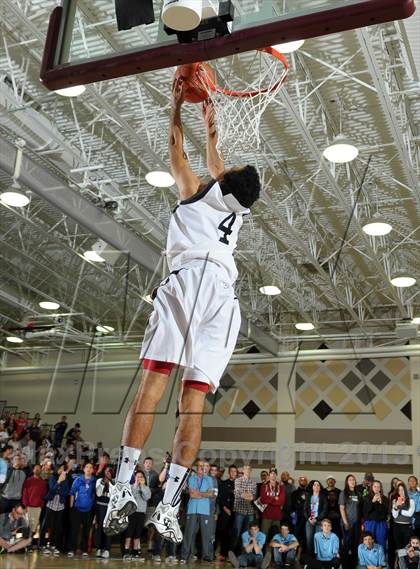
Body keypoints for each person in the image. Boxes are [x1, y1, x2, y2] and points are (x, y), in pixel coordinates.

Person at [102, 78, 261, 543]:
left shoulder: (195, 191)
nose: (224, 166)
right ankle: (168, 505)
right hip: (223, 299)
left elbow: (177, 147)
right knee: (192, 405)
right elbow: (220, 166)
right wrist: (211, 121)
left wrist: (177, 106)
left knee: (152, 387)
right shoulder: (238, 207)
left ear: (223, 179)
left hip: (190, 281)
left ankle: (122, 490)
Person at [180, 460, 214, 563]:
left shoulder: (209, 479)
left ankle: (207, 555)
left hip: (204, 510)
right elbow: (192, 495)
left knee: (206, 533)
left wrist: (199, 493)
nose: (201, 467)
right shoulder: (191, 478)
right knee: (189, 533)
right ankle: (184, 555)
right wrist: (204, 494)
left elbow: (210, 494)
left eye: (203, 466)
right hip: (192, 509)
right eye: (199, 466)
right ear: (197, 467)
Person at [68, 462, 96, 557]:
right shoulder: (78, 480)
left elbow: (96, 494)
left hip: (88, 510)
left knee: (86, 530)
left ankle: (84, 550)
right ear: (84, 469)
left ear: (93, 470)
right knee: (74, 530)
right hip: (77, 509)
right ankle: (72, 549)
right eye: (87, 467)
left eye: (90, 467)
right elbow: (72, 493)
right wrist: (71, 507)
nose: (88, 469)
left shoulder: (94, 481)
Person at [41, 465, 69, 555]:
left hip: (60, 506)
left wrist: (58, 488)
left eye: (63, 469)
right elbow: (52, 489)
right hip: (50, 505)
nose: (61, 470)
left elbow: (65, 492)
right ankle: (42, 545)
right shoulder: (52, 478)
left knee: (57, 527)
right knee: (45, 525)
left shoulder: (66, 480)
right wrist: (59, 482)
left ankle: (53, 545)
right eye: (59, 468)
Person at [123, 470, 151, 560]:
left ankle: (135, 552)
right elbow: (131, 496)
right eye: (137, 476)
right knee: (129, 532)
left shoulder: (146, 488)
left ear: (144, 479)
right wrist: (136, 485)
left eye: (141, 477)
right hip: (131, 512)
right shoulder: (131, 487)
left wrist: (142, 486)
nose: (139, 478)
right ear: (135, 478)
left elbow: (147, 497)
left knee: (138, 533)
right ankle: (126, 551)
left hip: (141, 513)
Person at [339, 474, 361, 569]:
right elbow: (342, 508)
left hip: (356, 523)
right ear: (347, 482)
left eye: (354, 480)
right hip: (347, 523)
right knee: (346, 546)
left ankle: (353, 565)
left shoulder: (358, 493)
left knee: (355, 545)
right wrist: (345, 522)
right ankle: (345, 566)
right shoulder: (343, 493)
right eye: (350, 480)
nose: (352, 481)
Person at [216, 464, 238, 561]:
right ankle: (223, 554)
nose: (233, 473)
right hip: (225, 512)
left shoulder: (239, 484)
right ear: (229, 472)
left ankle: (231, 554)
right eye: (231, 471)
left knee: (233, 534)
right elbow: (220, 499)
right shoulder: (223, 483)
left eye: (235, 471)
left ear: (237, 473)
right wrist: (225, 509)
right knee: (224, 533)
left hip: (236, 512)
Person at [21, 464, 47, 539]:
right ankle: (23, 546)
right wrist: (25, 505)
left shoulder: (43, 482)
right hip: (28, 506)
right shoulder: (28, 480)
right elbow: (24, 493)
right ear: (33, 470)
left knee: (33, 527)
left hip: (37, 507)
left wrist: (41, 505)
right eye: (36, 468)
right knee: (26, 526)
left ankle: (29, 544)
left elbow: (44, 495)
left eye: (39, 469)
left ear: (41, 470)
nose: (38, 470)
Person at [233, 465, 257, 541]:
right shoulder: (238, 480)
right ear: (243, 470)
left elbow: (253, 497)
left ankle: (244, 551)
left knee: (247, 534)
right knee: (236, 533)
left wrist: (245, 495)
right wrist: (247, 495)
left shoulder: (253, 482)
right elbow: (239, 493)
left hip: (250, 512)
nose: (247, 470)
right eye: (246, 469)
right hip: (239, 511)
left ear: (251, 471)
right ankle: (234, 551)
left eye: (249, 469)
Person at [362, 480, 388, 550]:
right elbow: (365, 512)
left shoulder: (385, 498)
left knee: (381, 542)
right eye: (375, 486)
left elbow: (386, 513)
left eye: (378, 487)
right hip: (370, 522)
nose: (376, 488)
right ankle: (368, 559)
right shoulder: (366, 497)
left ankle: (381, 559)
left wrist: (381, 503)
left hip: (381, 523)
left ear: (380, 488)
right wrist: (372, 502)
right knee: (369, 542)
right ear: (372, 487)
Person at [259, 468, 285, 537]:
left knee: (276, 537)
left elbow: (281, 501)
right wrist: (275, 498)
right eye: (271, 473)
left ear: (276, 475)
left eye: (274, 473)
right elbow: (263, 500)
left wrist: (269, 500)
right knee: (264, 536)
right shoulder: (264, 486)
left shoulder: (281, 487)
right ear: (269, 475)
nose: (273, 475)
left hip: (277, 516)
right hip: (266, 516)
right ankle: (263, 548)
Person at [95, 466, 113, 559]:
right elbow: (98, 493)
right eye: (106, 471)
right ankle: (99, 548)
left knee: (108, 528)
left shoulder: (113, 482)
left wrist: (109, 483)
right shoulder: (99, 480)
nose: (107, 473)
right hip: (100, 506)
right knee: (100, 528)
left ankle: (107, 549)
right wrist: (103, 483)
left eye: (109, 471)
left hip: (109, 507)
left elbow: (112, 495)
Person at [305, 480, 328, 555]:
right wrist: (309, 518)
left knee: (318, 540)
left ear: (320, 488)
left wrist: (316, 519)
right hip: (309, 521)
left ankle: (318, 557)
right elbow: (304, 510)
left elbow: (325, 510)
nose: (316, 486)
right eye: (314, 485)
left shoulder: (323, 497)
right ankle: (310, 559)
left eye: (318, 485)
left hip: (319, 521)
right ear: (312, 487)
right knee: (309, 541)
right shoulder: (308, 497)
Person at [392, 482, 415, 549]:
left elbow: (410, 513)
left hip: (407, 526)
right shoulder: (395, 501)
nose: (401, 492)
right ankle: (400, 559)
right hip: (397, 526)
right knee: (398, 546)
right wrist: (396, 506)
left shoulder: (411, 501)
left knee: (407, 546)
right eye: (399, 490)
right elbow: (394, 516)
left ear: (405, 490)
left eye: (402, 490)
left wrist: (400, 510)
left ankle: (406, 559)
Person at [291, 475, 308, 554]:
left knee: (306, 538)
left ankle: (303, 556)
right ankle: (293, 555)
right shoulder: (294, 493)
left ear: (306, 482)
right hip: (297, 518)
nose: (303, 481)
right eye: (301, 479)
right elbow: (294, 505)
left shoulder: (310, 493)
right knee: (295, 536)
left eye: (304, 480)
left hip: (307, 518)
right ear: (298, 481)